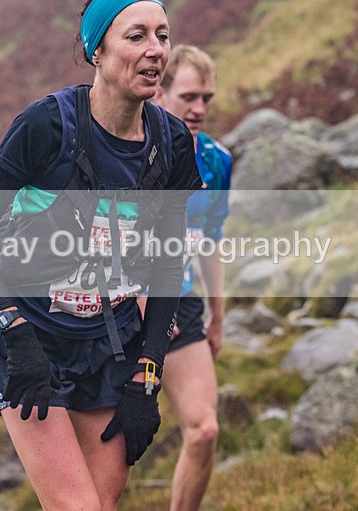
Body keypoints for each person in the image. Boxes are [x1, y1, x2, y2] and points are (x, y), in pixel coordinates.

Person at [0, 0, 201, 510]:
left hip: (107, 340)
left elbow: (167, 264)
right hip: (30, 336)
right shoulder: (47, 126)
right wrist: (12, 333)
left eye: (162, 36)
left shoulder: (173, 143)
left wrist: (149, 371)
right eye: (135, 36)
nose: (155, 49)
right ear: (98, 50)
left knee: (103, 502)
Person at [140, 45, 232, 511]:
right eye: (189, 96)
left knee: (204, 429)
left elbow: (210, 241)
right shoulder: (128, 151)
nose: (199, 109)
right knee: (112, 453)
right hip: (116, 312)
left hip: (181, 304)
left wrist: (217, 317)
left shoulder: (216, 161)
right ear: (159, 92)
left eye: (207, 99)